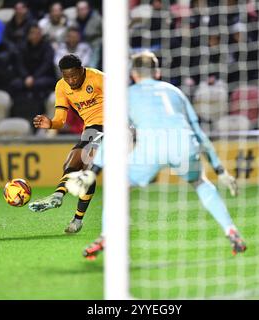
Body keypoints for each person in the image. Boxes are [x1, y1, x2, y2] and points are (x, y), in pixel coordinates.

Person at [65, 51, 247, 260]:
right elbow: (199, 133)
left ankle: (108, 235)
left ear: (133, 74)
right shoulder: (175, 92)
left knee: (118, 187)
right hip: (184, 144)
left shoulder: (127, 95)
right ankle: (230, 230)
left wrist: (95, 170)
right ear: (157, 72)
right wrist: (220, 170)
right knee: (201, 183)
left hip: (151, 147)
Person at [28, 54, 104, 234]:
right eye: (66, 76)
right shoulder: (61, 86)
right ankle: (76, 219)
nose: (71, 80)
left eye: (74, 76)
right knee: (77, 166)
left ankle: (58, 194)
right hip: (92, 128)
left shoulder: (99, 79)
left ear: (81, 70)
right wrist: (50, 124)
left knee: (82, 160)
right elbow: (60, 119)